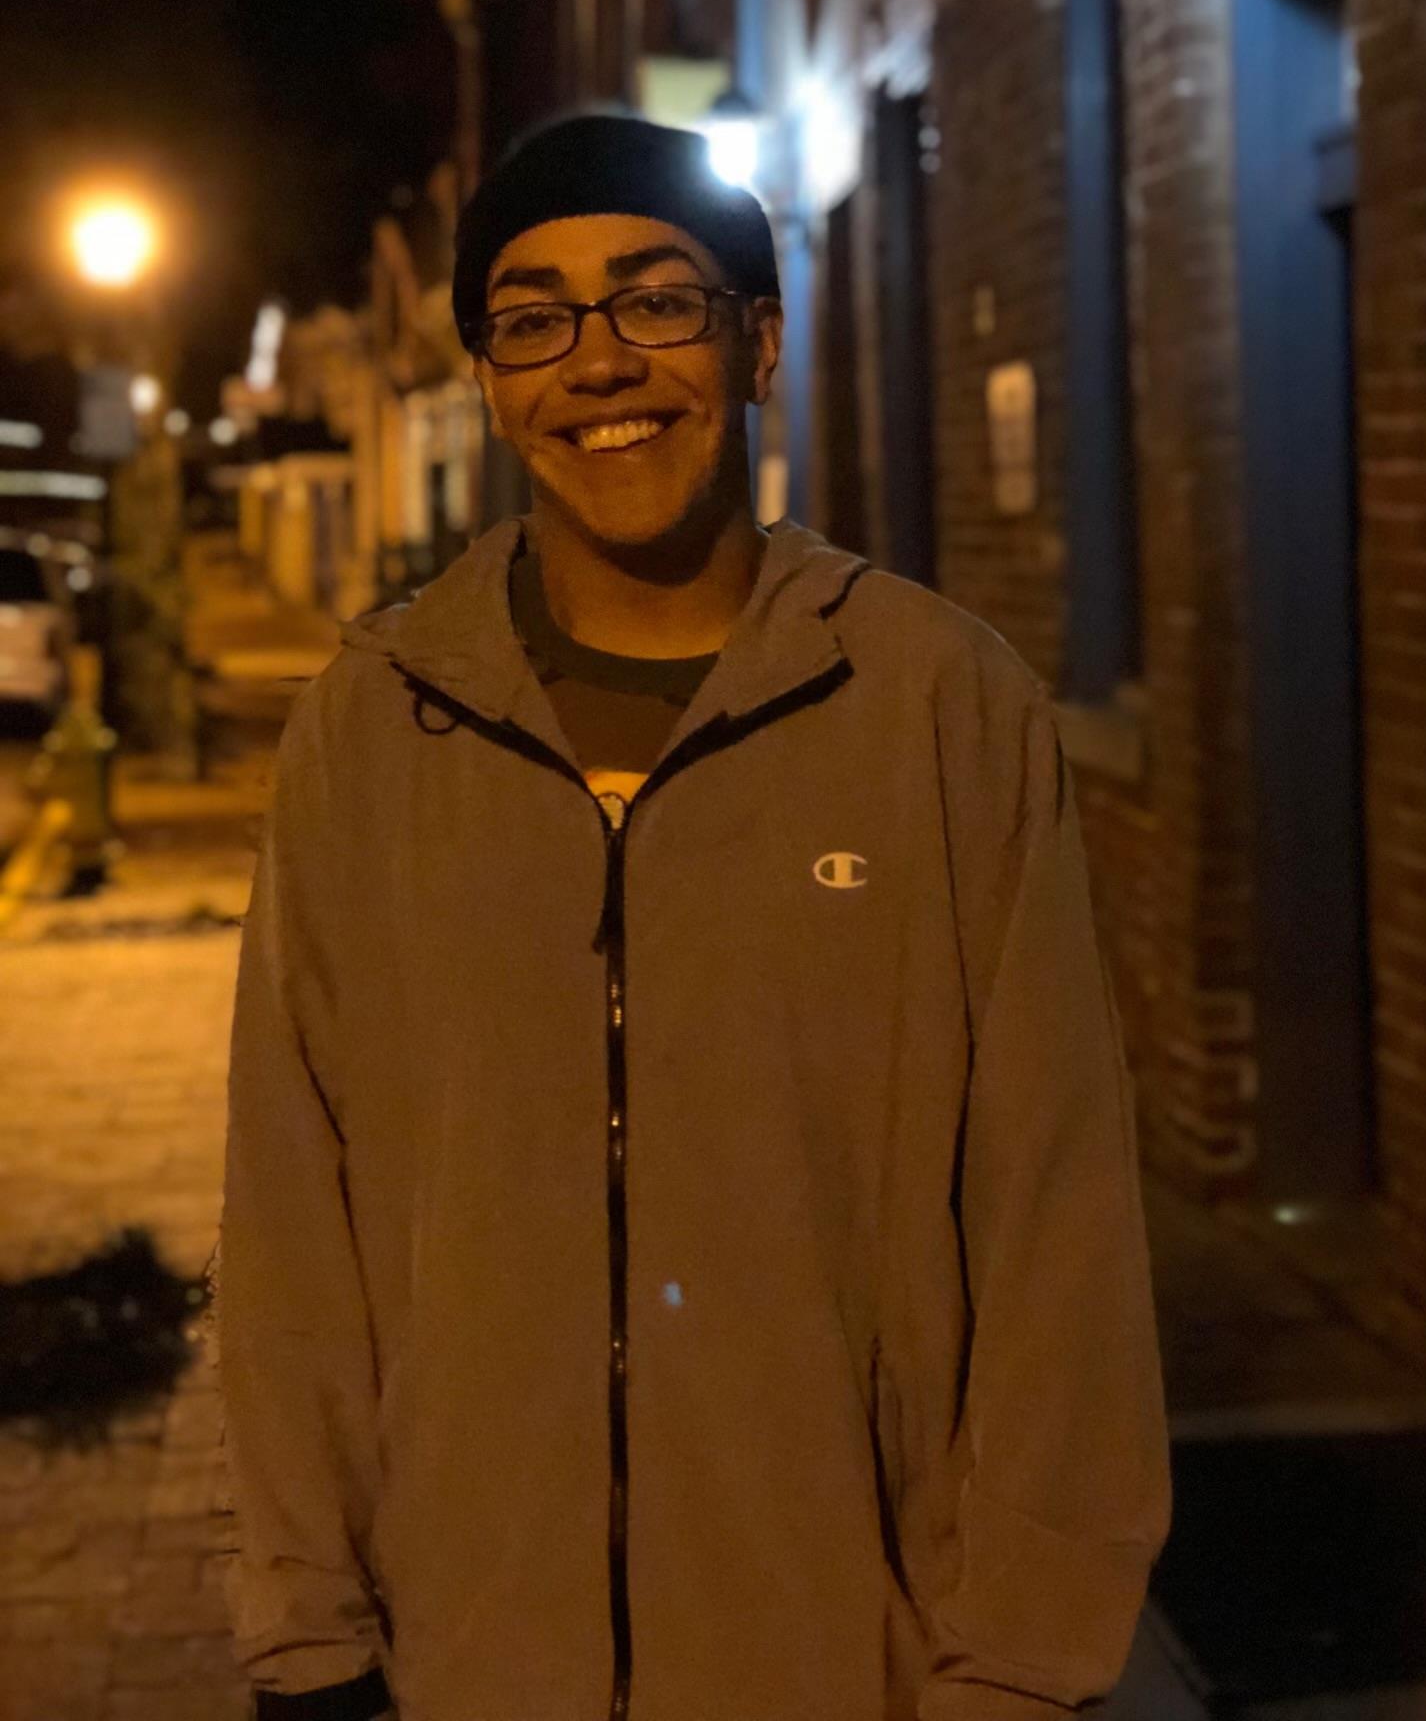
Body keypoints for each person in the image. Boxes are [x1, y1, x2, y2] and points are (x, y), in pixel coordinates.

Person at [216, 111, 1171, 1721]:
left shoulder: (934, 706)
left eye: (657, 300)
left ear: (759, 344)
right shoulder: (374, 726)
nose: (598, 362)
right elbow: (293, 1209)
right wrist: (311, 1634)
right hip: (472, 1651)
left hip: (852, 1652)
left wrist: (1024, 1649)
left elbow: (1055, 1211)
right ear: (491, 378)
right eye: (533, 319)